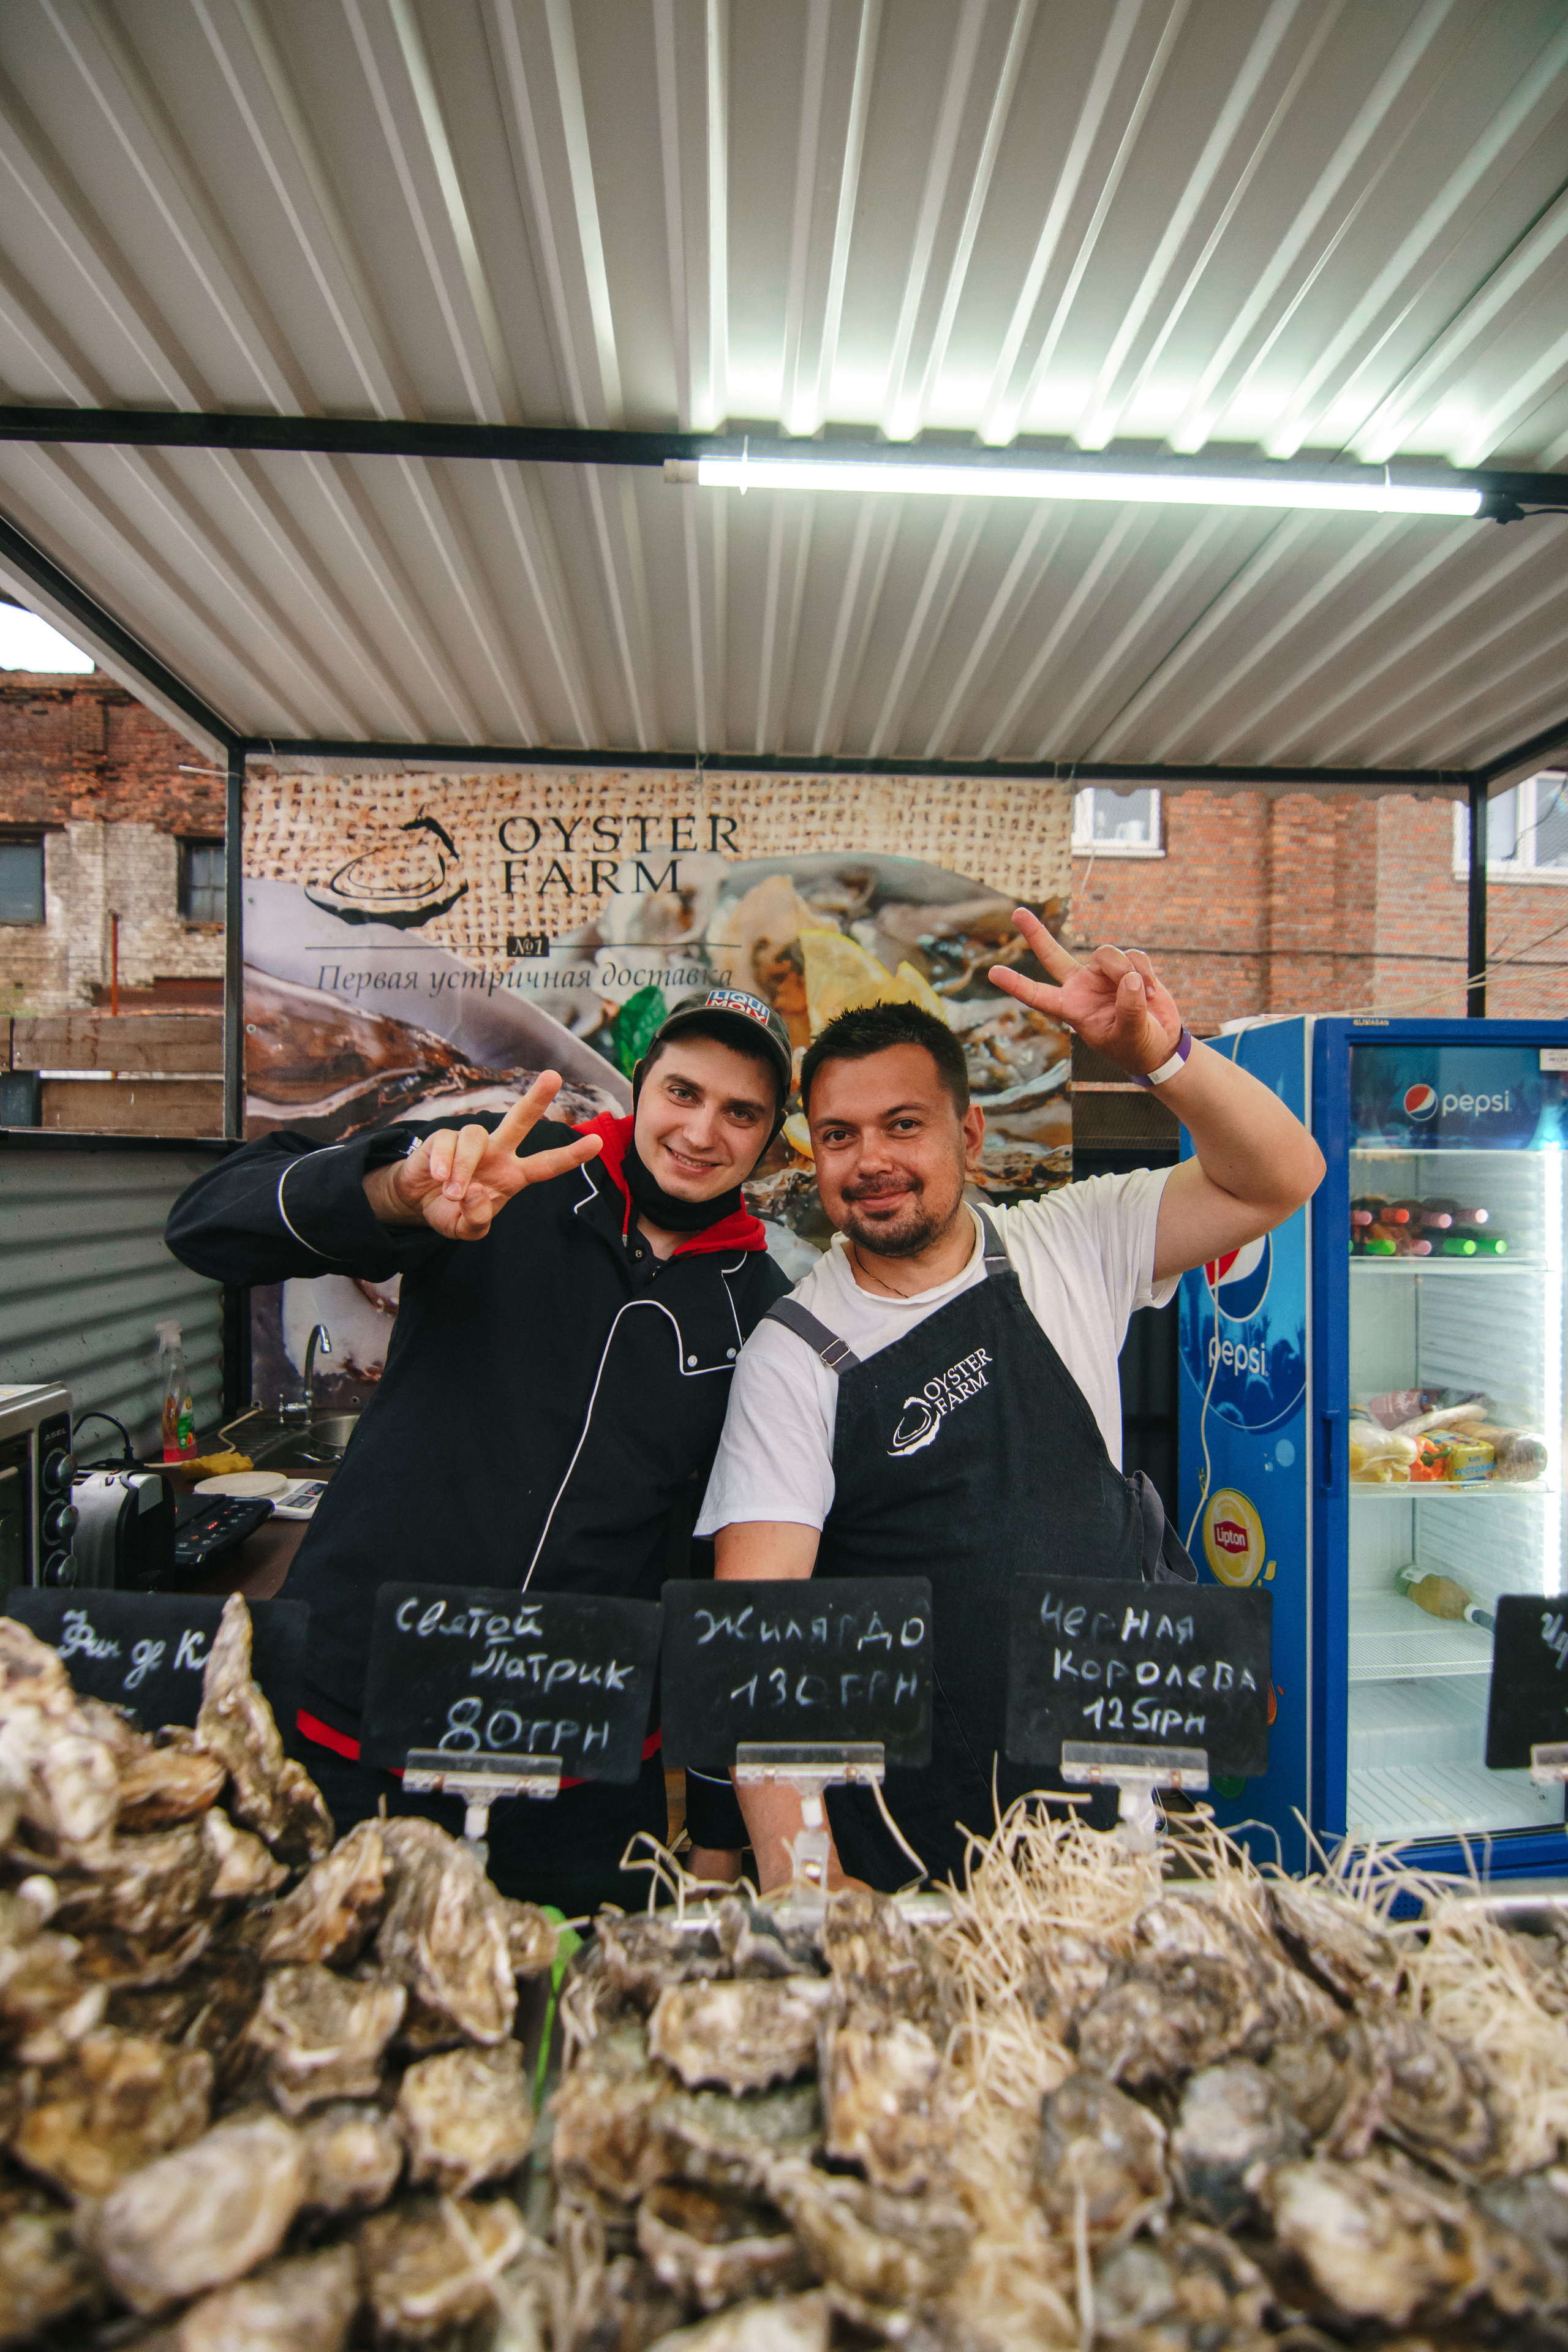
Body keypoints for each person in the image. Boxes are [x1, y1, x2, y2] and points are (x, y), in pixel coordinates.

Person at [696, 914, 1325, 1892]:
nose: (872, 1161)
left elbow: (1283, 1175)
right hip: (927, 1841)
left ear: (970, 1132)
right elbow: (761, 1629)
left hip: (1124, 1813)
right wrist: (802, 1868)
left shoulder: (1069, 1240)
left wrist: (1162, 1057)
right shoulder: (794, 1352)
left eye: (904, 1125)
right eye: (839, 1136)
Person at [164, 987, 793, 1912]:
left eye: (741, 1112)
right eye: (683, 1092)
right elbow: (205, 1225)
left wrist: (717, 1829)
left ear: (773, 1139)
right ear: (641, 1088)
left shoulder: (764, 1307)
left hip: (581, 1766)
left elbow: (725, 1574)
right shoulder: (508, 1170)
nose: (702, 1131)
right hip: (354, 1713)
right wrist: (398, 1194)